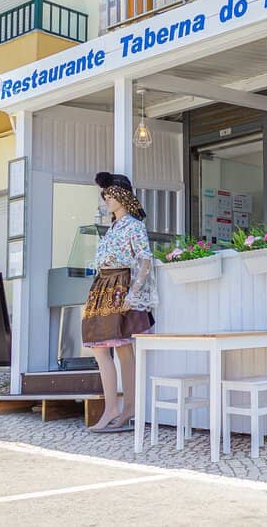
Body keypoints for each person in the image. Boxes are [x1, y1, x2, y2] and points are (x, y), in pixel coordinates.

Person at [83, 172, 156, 432]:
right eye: (106, 197)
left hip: (119, 287)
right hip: (104, 287)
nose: (107, 202)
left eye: (111, 196)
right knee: (102, 348)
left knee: (123, 349)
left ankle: (126, 408)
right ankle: (115, 407)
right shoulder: (114, 227)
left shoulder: (133, 226)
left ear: (123, 197)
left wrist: (133, 293)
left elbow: (145, 259)